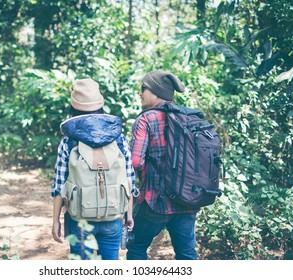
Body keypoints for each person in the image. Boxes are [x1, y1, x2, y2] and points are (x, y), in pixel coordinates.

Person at [51, 78, 135, 260]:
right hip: (113, 217)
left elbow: (59, 185)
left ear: (73, 108)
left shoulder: (69, 140)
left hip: (79, 220)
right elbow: (129, 179)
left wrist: (56, 220)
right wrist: (129, 213)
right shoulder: (118, 138)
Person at [126, 70, 198, 260]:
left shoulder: (146, 119)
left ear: (156, 92)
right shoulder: (189, 117)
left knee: (136, 246)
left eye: (143, 88)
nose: (140, 93)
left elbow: (135, 161)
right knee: (187, 254)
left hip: (155, 201)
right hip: (188, 201)